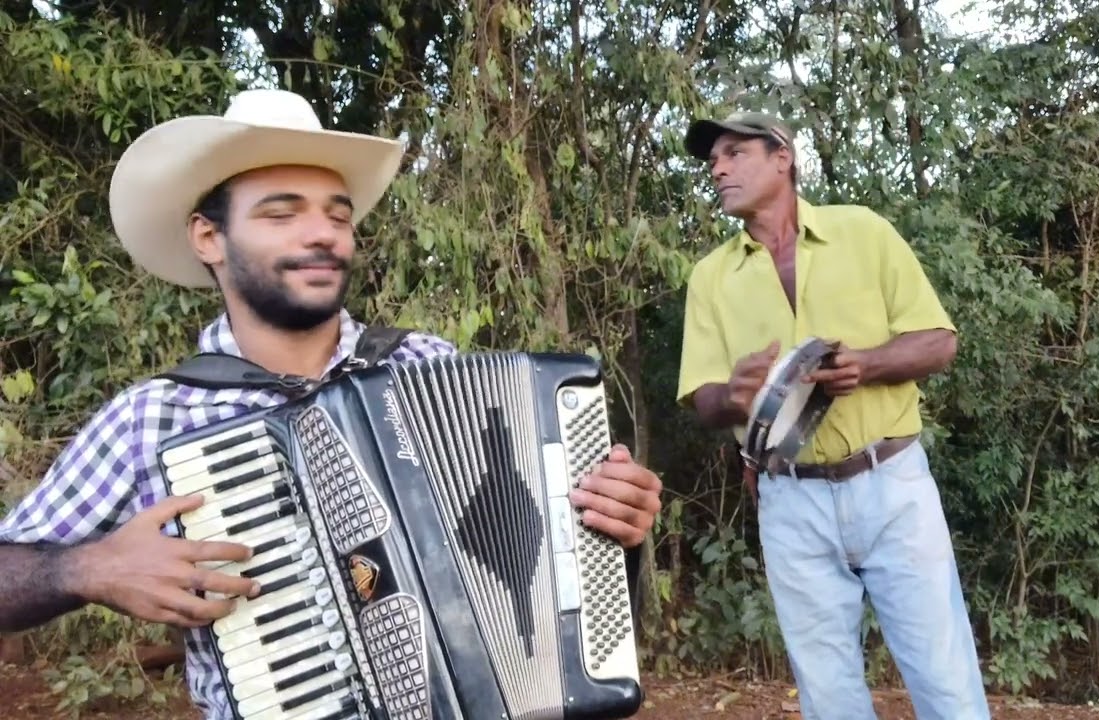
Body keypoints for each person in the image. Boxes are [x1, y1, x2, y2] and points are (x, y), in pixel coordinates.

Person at [0, 88, 663, 718]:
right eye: (281, 213)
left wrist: (613, 523)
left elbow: (546, 562)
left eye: (338, 215)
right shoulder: (153, 418)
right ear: (208, 238)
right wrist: (86, 568)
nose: (322, 234)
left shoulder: (426, 365)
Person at [675, 111, 989, 720]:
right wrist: (734, 395)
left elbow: (938, 341)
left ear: (782, 157)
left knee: (945, 678)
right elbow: (702, 398)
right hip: (789, 499)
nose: (718, 169)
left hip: (892, 485)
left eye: (735, 153)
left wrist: (866, 365)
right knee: (827, 694)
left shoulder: (862, 232)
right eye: (713, 160)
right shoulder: (710, 277)